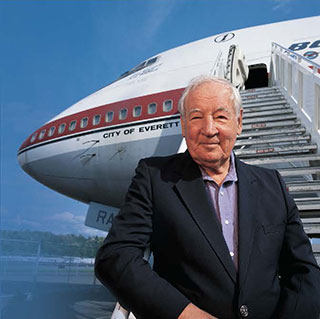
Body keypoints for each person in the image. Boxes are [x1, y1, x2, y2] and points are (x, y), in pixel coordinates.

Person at [95, 76, 320, 319]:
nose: (209, 129)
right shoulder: (154, 177)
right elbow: (115, 257)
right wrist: (186, 315)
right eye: (196, 117)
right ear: (183, 125)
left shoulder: (272, 183)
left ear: (239, 122)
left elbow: (304, 271)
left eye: (221, 117)